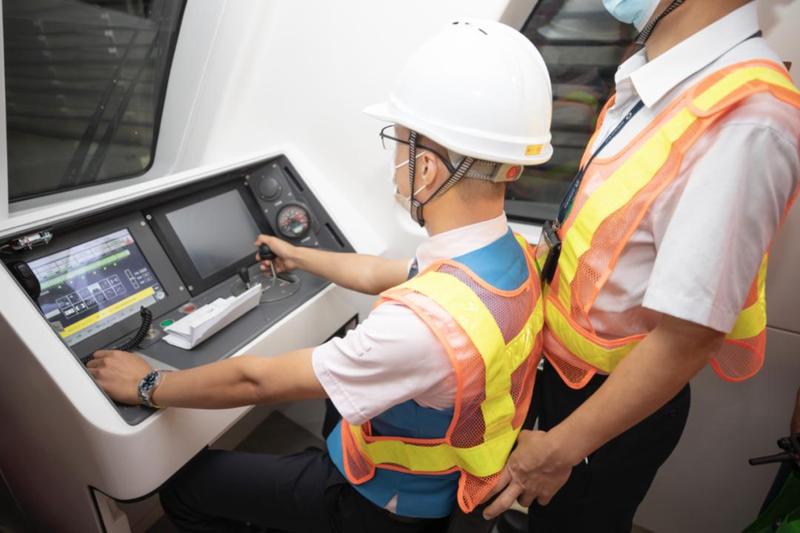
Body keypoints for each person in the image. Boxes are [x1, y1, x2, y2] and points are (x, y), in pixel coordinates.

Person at [89, 20, 553, 533]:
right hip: (446, 481)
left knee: (184, 489)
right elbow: (378, 271)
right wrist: (299, 256)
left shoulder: (418, 328)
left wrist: (149, 383)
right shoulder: (510, 257)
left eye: (397, 143)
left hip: (380, 505)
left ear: (425, 170)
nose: (394, 160)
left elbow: (256, 380)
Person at [482, 1, 800, 531]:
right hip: (565, 375)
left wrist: (559, 450)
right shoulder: (658, 77)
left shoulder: (748, 118)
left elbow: (689, 336)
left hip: (607, 407)